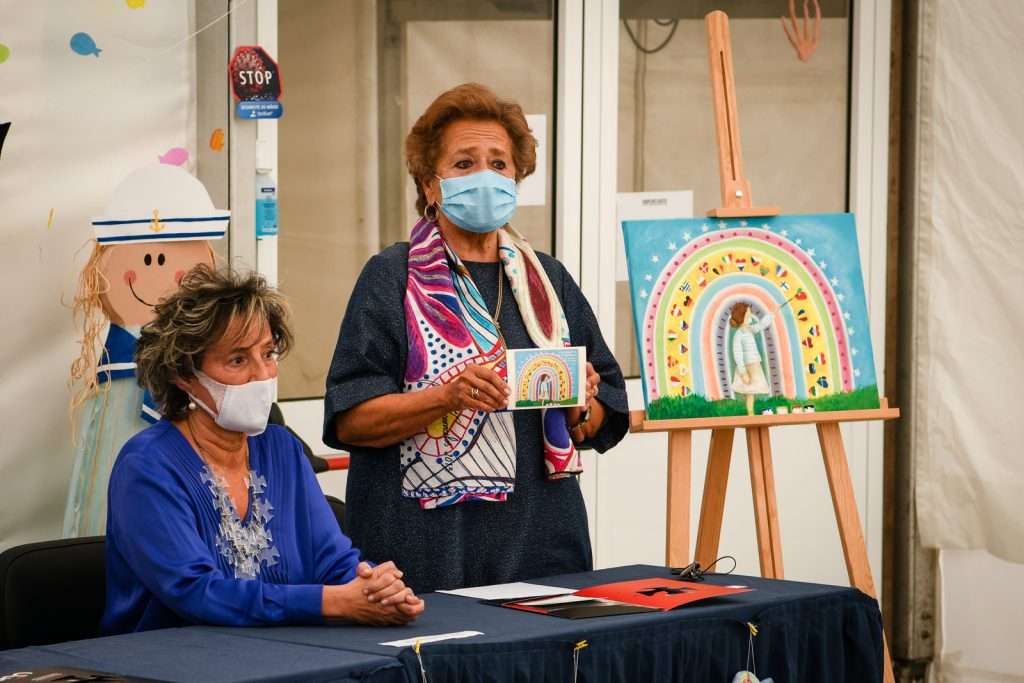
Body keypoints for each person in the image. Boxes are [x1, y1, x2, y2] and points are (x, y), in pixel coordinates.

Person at [323, 83, 629, 594]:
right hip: (423, 551)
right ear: (430, 184)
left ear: (517, 177)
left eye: (499, 163)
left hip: (544, 547)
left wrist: (582, 401)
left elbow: (602, 420)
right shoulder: (391, 276)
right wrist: (444, 397)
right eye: (464, 164)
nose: (485, 176)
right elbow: (350, 418)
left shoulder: (547, 281)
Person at [101, 265, 424, 635]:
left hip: (284, 653)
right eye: (238, 360)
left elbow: (332, 562)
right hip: (167, 663)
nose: (262, 375)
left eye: (268, 354)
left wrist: (373, 588)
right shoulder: (146, 466)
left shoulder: (282, 448)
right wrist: (332, 602)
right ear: (184, 375)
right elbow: (193, 591)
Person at [728, 301, 778, 415]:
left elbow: (761, 325)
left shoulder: (749, 329)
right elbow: (738, 355)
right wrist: (743, 373)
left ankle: (751, 413)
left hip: (754, 365)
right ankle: (750, 413)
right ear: (743, 316)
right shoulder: (738, 335)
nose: (750, 316)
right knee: (749, 393)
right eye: (748, 314)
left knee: (752, 392)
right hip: (747, 368)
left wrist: (773, 313)